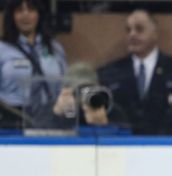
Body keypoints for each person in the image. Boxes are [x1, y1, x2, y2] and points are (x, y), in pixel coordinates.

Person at [98, 9, 172, 134]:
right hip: (122, 146)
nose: (132, 34)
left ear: (155, 33)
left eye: (139, 29)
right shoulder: (109, 72)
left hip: (167, 145)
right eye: (128, 30)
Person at [0, 0, 66, 129]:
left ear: (39, 14)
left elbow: (65, 86)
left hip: (50, 118)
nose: (26, 15)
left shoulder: (55, 48)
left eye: (31, 9)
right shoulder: (2, 49)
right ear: (11, 16)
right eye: (19, 10)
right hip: (11, 119)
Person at [33, 62, 130, 134]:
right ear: (66, 91)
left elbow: (125, 140)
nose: (84, 94)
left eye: (89, 89)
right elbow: (35, 137)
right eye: (79, 91)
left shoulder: (110, 109)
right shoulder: (54, 109)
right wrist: (57, 114)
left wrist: (104, 125)